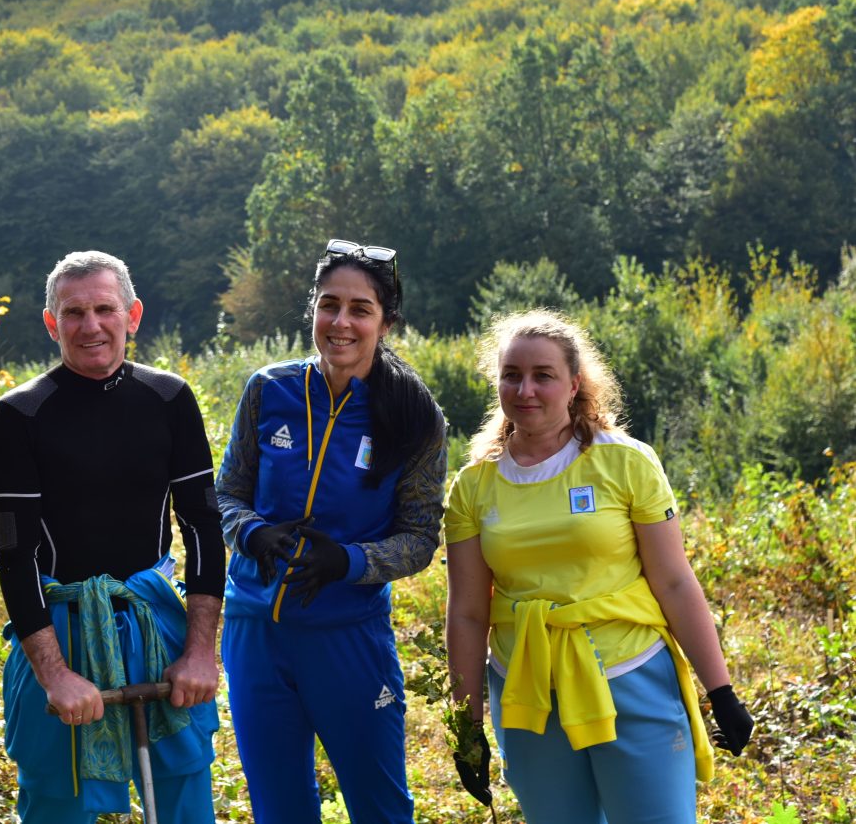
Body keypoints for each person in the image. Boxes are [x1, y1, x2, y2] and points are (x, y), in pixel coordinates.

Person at [443, 309, 755, 822]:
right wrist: (467, 725)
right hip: (527, 689)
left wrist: (720, 691)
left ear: (574, 384)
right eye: (511, 375)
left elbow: (675, 582)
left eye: (543, 375)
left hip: (631, 675)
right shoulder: (474, 486)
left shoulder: (626, 462)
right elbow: (469, 614)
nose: (525, 389)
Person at [0, 250, 225, 824]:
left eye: (104, 309)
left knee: (184, 790)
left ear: (132, 315)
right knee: (57, 798)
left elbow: (203, 528)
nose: (90, 326)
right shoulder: (19, 415)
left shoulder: (170, 400)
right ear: (51, 323)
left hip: (153, 621)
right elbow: (14, 557)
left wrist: (198, 652)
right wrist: (54, 674)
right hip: (59, 625)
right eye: (73, 313)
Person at [215, 239, 448, 823]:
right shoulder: (269, 390)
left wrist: (348, 561)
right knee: (279, 809)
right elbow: (225, 494)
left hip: (347, 637)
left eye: (360, 309)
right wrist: (251, 534)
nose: (341, 322)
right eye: (329, 304)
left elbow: (420, 537)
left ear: (386, 322)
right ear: (313, 310)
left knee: (380, 809)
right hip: (255, 633)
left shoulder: (416, 416)